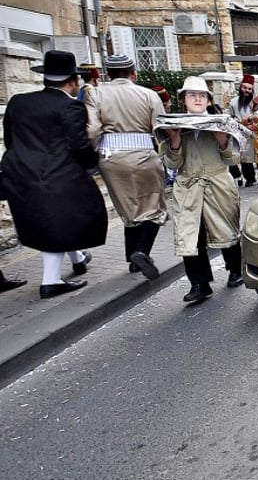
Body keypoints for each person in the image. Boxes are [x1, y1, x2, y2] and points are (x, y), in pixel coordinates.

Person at [1, 50, 106, 299]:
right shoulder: (70, 106)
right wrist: (93, 163)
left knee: (55, 221)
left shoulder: (18, 102)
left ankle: (78, 257)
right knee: (61, 222)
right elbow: (79, 145)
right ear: (73, 81)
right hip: (58, 175)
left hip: (20, 173)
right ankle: (51, 281)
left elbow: (10, 138)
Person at [158, 77, 247, 304]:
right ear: (183, 99)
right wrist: (175, 141)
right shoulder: (174, 125)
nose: (197, 99)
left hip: (218, 184)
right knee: (189, 235)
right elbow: (171, 164)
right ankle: (199, 283)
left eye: (201, 95)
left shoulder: (221, 123)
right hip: (188, 186)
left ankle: (235, 269)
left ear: (208, 100)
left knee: (226, 228)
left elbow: (234, 158)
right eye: (191, 95)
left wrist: (222, 141)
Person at [84, 53, 168, 280]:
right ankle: (141, 251)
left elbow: (92, 131)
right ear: (133, 73)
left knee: (128, 209)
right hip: (143, 154)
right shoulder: (149, 95)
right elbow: (160, 128)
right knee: (154, 208)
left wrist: (95, 154)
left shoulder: (96, 94)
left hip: (111, 158)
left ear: (107, 74)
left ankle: (132, 259)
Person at [227, 74, 258, 186]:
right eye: (244, 88)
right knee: (244, 157)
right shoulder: (233, 102)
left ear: (252, 90)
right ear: (240, 87)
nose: (246, 91)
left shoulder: (257, 101)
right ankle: (249, 179)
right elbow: (229, 117)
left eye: (249, 89)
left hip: (255, 132)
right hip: (239, 133)